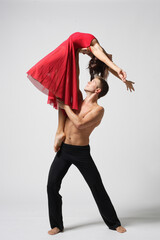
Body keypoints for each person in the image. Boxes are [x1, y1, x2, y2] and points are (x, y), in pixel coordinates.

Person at [26, 32, 135, 152]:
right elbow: (105, 62)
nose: (86, 53)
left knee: (66, 88)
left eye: (87, 53)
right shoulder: (95, 47)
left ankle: (59, 131)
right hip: (68, 50)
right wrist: (118, 71)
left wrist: (119, 72)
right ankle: (59, 130)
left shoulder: (94, 49)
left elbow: (105, 62)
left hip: (68, 50)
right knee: (65, 86)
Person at [47, 76, 127, 235]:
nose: (89, 81)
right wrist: (74, 52)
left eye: (93, 82)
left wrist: (66, 107)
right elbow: (73, 74)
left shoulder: (98, 110)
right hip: (64, 150)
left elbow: (80, 123)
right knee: (52, 185)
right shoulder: (77, 99)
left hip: (81, 153)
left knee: (97, 187)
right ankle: (56, 225)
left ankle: (114, 223)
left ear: (97, 90)